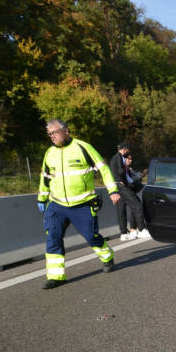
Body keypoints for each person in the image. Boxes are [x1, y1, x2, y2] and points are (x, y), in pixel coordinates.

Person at [37, 118, 120, 289]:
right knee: (52, 236)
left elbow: (103, 169)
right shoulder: (49, 153)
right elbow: (45, 178)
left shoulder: (83, 147)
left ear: (65, 131)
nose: (51, 136)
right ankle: (56, 276)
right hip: (56, 205)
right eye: (49, 134)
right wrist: (42, 198)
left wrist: (112, 190)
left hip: (82, 204)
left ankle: (106, 255)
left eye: (54, 132)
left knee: (91, 236)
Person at [110, 143, 150, 241]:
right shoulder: (119, 157)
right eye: (127, 150)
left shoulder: (116, 158)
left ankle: (123, 233)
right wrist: (124, 182)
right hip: (122, 186)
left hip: (118, 185)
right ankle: (141, 229)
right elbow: (120, 171)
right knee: (137, 205)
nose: (128, 153)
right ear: (124, 149)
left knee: (121, 209)